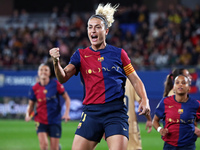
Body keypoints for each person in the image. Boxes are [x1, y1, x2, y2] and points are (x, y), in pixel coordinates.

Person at [49, 3, 150, 150]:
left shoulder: (119, 54)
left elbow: (135, 79)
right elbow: (62, 77)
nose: (93, 30)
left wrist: (145, 100)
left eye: (97, 27)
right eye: (90, 27)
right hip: (91, 113)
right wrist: (56, 62)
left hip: (115, 113)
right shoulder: (80, 55)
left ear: (106, 30)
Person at [25, 63, 71, 150]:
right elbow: (31, 105)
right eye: (41, 70)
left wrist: (67, 113)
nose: (43, 72)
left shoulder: (56, 84)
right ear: (38, 72)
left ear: (49, 73)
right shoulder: (34, 88)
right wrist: (28, 115)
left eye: (46, 70)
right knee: (44, 146)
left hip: (55, 120)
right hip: (40, 120)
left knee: (54, 148)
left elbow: (67, 99)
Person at [153, 75, 200, 150]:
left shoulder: (196, 104)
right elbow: (155, 121)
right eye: (177, 82)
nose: (180, 84)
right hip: (169, 146)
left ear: (189, 88)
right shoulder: (165, 102)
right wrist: (160, 129)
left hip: (188, 146)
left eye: (184, 83)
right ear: (174, 87)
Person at [124, 79, 152, 150]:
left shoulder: (110, 81)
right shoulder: (131, 82)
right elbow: (142, 104)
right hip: (130, 125)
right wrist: (149, 119)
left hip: (114, 125)